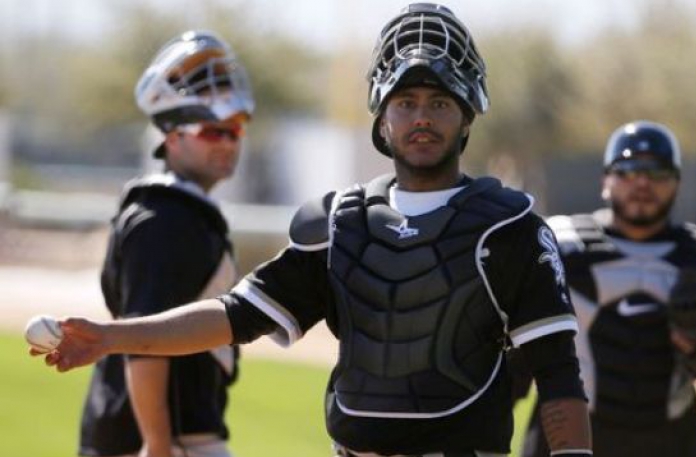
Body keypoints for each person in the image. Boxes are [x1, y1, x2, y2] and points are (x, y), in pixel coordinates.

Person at [36, 5, 591, 456]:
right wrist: (112, 337)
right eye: (406, 102)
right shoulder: (336, 224)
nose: (422, 117)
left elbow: (559, 377)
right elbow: (233, 316)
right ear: (382, 115)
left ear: (468, 114)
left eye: (440, 102)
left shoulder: (510, 226)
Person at [514, 120, 696, 457]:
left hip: (669, 440)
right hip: (567, 438)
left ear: (677, 182)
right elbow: (509, 366)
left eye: (658, 172)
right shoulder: (560, 250)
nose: (643, 182)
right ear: (606, 179)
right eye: (628, 170)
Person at [76, 30, 255, 457]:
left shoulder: (183, 212)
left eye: (235, 129)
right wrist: (156, 443)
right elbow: (143, 340)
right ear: (172, 137)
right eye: (213, 131)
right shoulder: (166, 219)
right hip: (164, 441)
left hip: (173, 436)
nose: (229, 142)